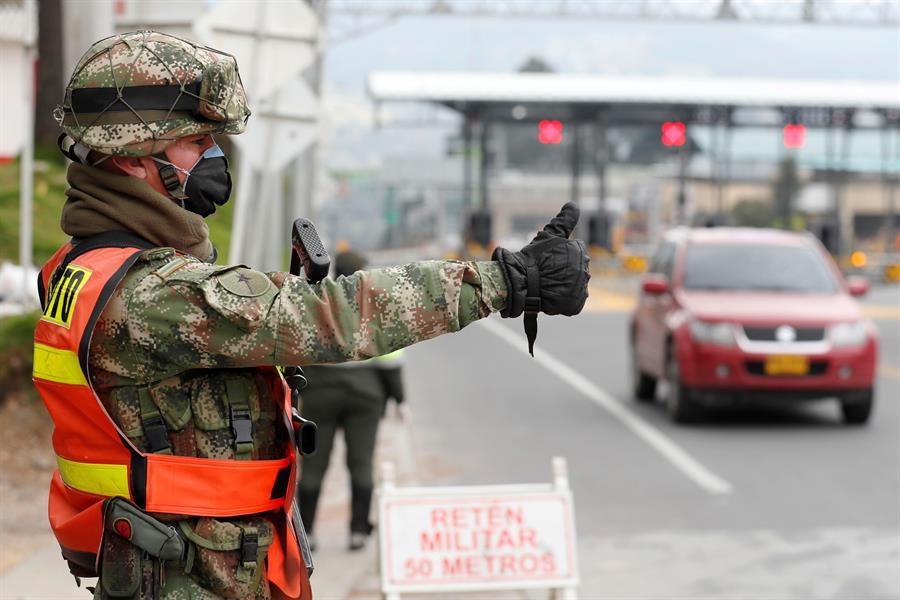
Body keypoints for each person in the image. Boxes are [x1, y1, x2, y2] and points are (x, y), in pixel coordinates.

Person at [33, 30, 590, 600]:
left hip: (186, 566)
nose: (215, 157)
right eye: (197, 141)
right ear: (130, 158)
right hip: (188, 577)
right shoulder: (152, 294)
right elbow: (334, 318)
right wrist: (505, 280)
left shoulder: (90, 267)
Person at [295, 251, 408, 553]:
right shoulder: (372, 306)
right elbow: (389, 360)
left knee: (315, 464)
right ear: (363, 271)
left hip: (319, 393)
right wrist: (400, 398)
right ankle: (358, 531)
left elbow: (299, 351)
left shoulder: (318, 302)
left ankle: (307, 534)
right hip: (365, 395)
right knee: (360, 461)